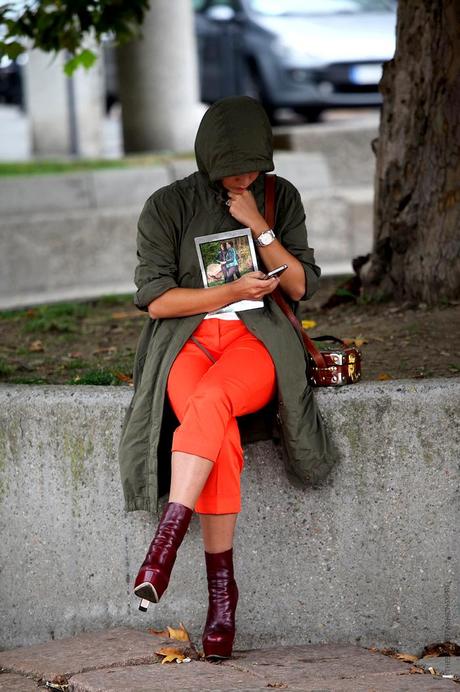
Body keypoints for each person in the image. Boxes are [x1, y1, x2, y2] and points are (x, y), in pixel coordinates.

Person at [118, 96, 333, 661]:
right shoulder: (168, 205)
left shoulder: (277, 196)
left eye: (252, 165)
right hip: (185, 342)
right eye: (229, 166)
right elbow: (156, 299)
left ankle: (162, 547)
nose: (241, 176)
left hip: (255, 341)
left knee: (212, 401)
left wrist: (259, 226)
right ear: (206, 157)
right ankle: (222, 598)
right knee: (219, 432)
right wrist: (229, 292)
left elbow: (301, 286)